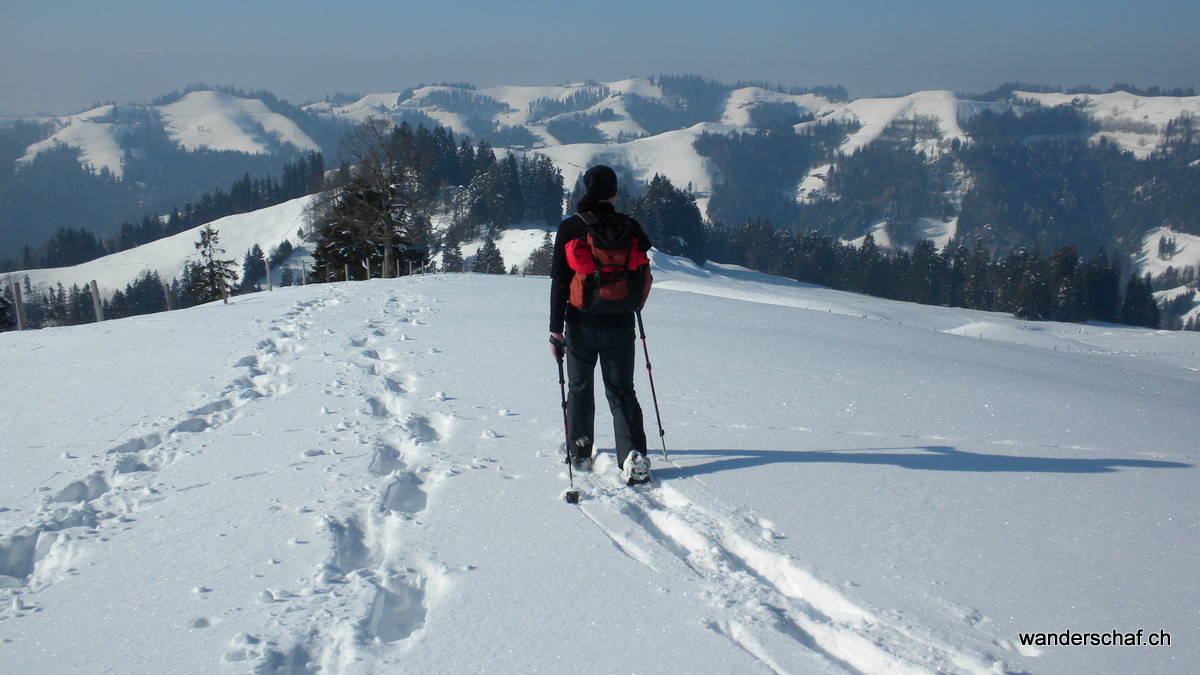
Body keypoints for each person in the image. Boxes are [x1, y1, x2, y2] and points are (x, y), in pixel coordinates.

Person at [549, 165, 652, 485]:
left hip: (580, 323)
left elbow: (559, 282)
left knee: (580, 389)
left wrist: (556, 330)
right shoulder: (630, 227)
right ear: (614, 193)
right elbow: (643, 274)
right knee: (623, 391)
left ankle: (580, 448)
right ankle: (633, 454)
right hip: (621, 322)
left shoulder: (571, 228)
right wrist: (632, 306)